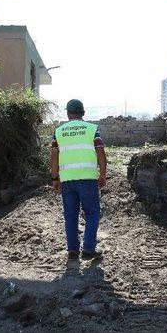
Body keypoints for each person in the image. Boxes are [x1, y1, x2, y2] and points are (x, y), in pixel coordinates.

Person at [50, 99, 107, 260]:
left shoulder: (59, 131)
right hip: (88, 179)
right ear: (83, 113)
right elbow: (101, 153)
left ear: (68, 113)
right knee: (92, 213)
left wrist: (55, 178)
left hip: (67, 180)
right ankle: (88, 249)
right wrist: (102, 174)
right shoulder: (92, 129)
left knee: (70, 215)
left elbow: (54, 156)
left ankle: (73, 250)